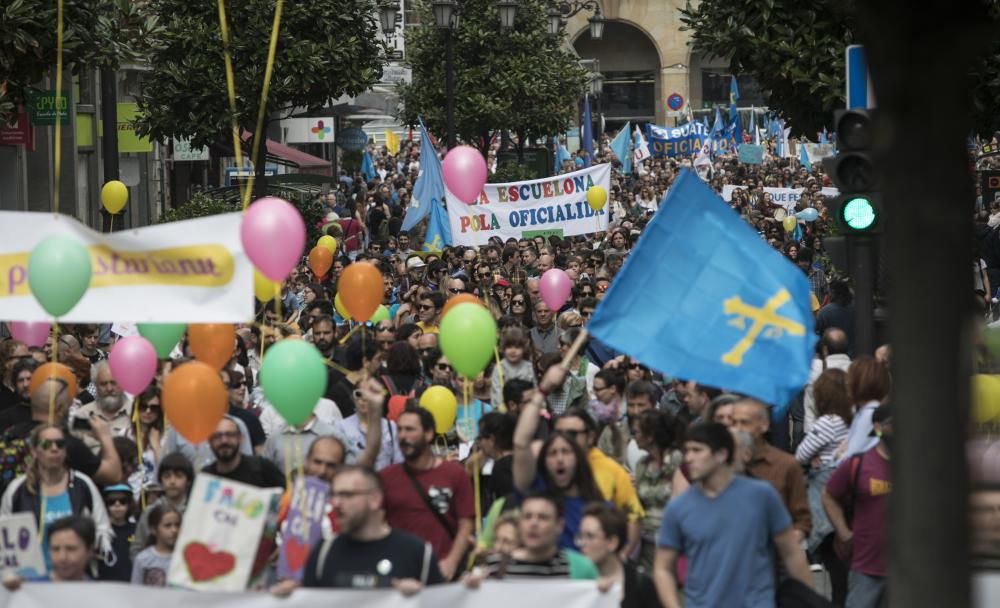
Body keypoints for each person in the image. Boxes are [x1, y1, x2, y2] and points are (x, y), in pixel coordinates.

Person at [653, 423, 814, 608]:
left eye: (697, 450)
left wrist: (811, 601)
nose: (688, 458)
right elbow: (663, 568)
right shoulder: (679, 508)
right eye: (687, 451)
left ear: (721, 454)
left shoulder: (762, 496)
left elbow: (791, 553)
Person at [273, 465, 444, 596]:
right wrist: (293, 596)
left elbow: (445, 601)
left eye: (347, 495)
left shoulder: (416, 552)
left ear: (375, 500)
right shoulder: (324, 552)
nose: (336, 503)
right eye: (334, 495)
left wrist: (423, 598)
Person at [379, 407, 475, 581]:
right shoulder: (386, 477)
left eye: (410, 429)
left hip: (442, 572)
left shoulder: (454, 474)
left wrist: (452, 562)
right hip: (400, 574)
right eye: (399, 429)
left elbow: (466, 524)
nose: (402, 436)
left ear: (429, 433)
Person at [0, 425, 112, 567]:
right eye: (46, 444)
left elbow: (103, 528)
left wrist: (90, 545)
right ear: (34, 451)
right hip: (30, 581)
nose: (54, 449)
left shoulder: (82, 485)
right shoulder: (17, 490)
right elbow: (4, 536)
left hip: (74, 580)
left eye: (60, 444)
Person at [823, 403, 892, 608]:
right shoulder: (858, 464)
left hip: (906, 570)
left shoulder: (915, 465)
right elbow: (828, 494)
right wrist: (844, 533)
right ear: (878, 427)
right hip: (866, 568)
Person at [553, 408, 645, 558]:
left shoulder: (612, 470)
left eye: (572, 434)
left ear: (590, 437)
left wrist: (621, 557)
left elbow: (633, 518)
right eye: (558, 433)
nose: (563, 440)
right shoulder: (547, 467)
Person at [468, 491, 598, 581]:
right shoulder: (495, 567)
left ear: (559, 525)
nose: (533, 524)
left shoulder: (581, 568)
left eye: (543, 517)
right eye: (527, 517)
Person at [731, 398, 812, 541]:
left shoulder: (786, 465)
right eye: (734, 423)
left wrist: (786, 544)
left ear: (764, 425)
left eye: (745, 423)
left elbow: (802, 520)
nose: (738, 429)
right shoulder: (724, 464)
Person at [632, 409, 688, 572]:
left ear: (650, 437)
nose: (634, 436)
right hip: (646, 543)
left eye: (636, 432)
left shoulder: (677, 461)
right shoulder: (642, 465)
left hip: (674, 544)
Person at [578, 503, 662, 608]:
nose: (582, 543)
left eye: (590, 536)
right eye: (580, 536)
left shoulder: (640, 583)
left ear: (612, 542)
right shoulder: (573, 580)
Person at [2, 515, 98, 587]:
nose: (62, 557)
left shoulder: (101, 594)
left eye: (71, 549)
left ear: (90, 551)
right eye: (55, 549)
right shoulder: (27, 587)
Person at [131, 452, 193, 556]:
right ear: (160, 481)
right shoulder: (150, 511)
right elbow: (137, 548)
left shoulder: (195, 511)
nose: (172, 481)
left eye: (179, 476)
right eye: (167, 476)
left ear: (188, 481)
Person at [202, 416, 286, 488]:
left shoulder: (262, 468)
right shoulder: (204, 477)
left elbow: (288, 497)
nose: (224, 441)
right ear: (210, 441)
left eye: (230, 434)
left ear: (240, 438)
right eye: (217, 436)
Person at [838, 356, 892, 463]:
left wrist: (838, 455)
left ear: (861, 382)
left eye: (850, 378)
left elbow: (847, 459)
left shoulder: (868, 415)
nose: (847, 383)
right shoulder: (866, 412)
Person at [803, 328, 852, 434]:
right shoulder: (856, 370)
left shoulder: (814, 367)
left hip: (819, 433)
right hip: (849, 434)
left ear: (825, 350)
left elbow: (810, 411)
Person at [131, 504, 181, 587]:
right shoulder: (143, 559)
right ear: (153, 529)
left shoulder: (183, 558)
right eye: (167, 525)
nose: (174, 530)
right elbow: (135, 590)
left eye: (177, 525)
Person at [98, 484, 136, 582]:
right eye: (111, 502)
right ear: (105, 505)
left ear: (129, 504)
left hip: (131, 585)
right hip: (104, 585)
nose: (117, 505)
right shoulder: (100, 531)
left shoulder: (136, 529)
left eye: (122, 501)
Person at [490, 327, 536, 408]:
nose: (513, 351)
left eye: (517, 347)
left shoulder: (528, 367)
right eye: (509, 347)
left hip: (525, 407)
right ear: (503, 348)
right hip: (504, 409)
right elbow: (496, 391)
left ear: (524, 349)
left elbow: (534, 389)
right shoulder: (499, 368)